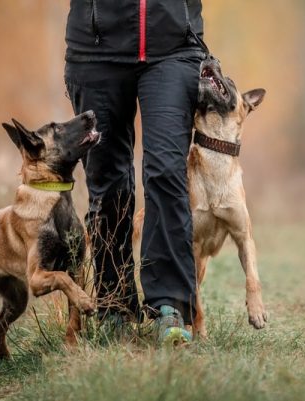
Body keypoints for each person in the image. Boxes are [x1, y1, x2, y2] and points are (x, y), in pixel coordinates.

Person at [64, 0, 206, 344]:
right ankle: (114, 306)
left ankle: (170, 307)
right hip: (96, 49)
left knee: (166, 170)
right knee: (108, 182)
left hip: (174, 47)